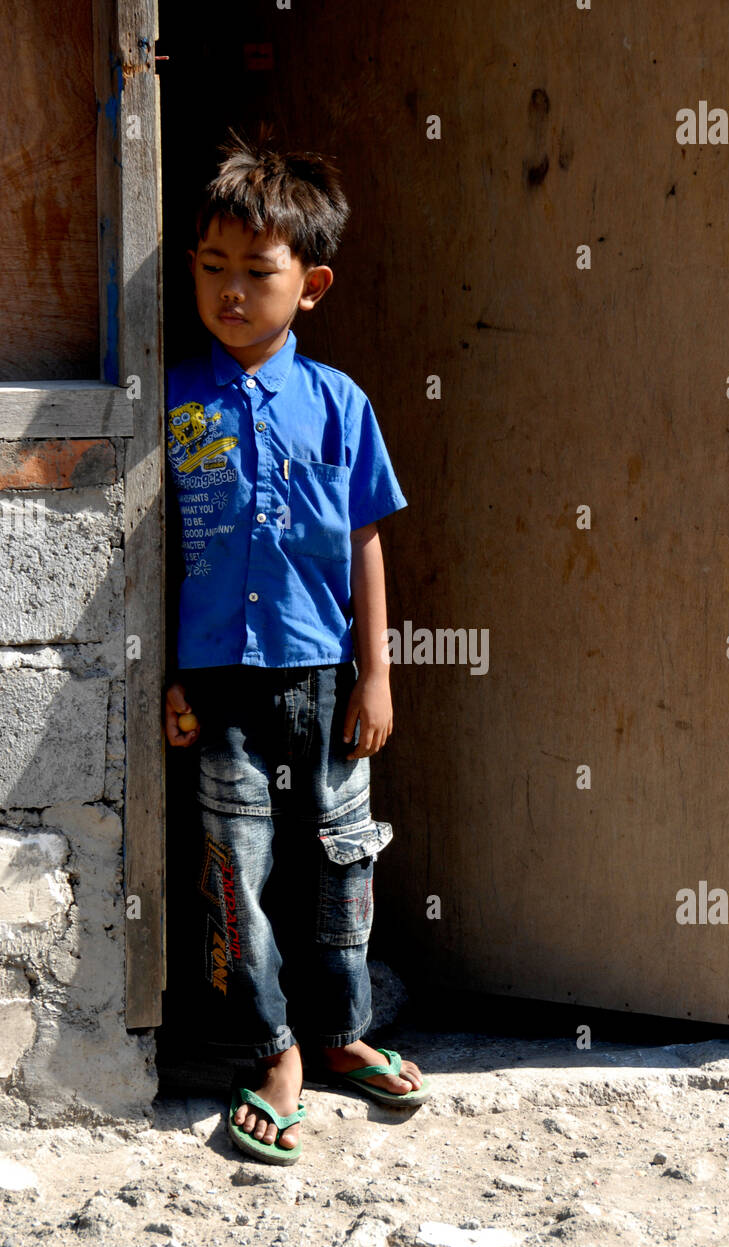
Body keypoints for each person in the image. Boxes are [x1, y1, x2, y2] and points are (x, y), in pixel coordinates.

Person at [163, 133, 430, 1165]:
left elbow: (365, 541)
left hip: (323, 676)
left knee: (342, 860)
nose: (232, 292)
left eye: (257, 273)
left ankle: (343, 1029)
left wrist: (378, 674)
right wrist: (171, 680)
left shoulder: (342, 405)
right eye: (212, 268)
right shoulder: (172, 400)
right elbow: (150, 554)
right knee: (236, 868)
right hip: (218, 680)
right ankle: (271, 1048)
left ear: (309, 285)